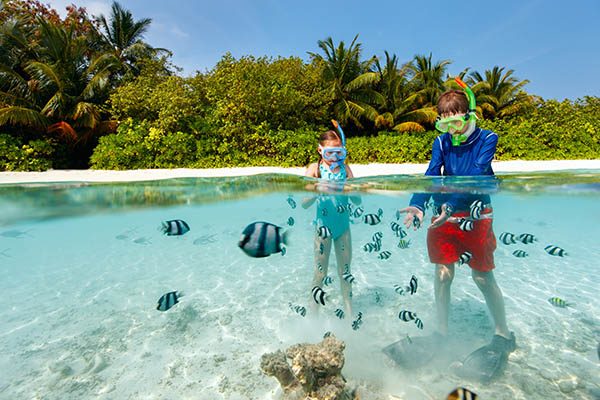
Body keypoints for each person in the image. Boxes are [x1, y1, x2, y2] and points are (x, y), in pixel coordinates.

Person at [388, 78, 515, 383]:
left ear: (469, 116)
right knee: (443, 275)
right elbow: (433, 172)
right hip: (443, 217)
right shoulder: (442, 142)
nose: (451, 132)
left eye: (456, 123)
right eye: (444, 126)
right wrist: (418, 204)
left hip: (475, 216)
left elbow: (475, 174)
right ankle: (441, 332)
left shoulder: (488, 138)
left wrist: (447, 207)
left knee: (483, 277)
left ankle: (504, 334)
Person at [302, 123, 360, 319]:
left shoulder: (345, 169)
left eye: (339, 153)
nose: (335, 158)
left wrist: (349, 187)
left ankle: (350, 313)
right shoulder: (314, 169)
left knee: (345, 272)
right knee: (321, 272)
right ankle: (313, 314)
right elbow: (304, 203)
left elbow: (357, 199)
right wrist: (318, 187)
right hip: (322, 229)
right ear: (320, 151)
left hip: (343, 228)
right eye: (330, 153)